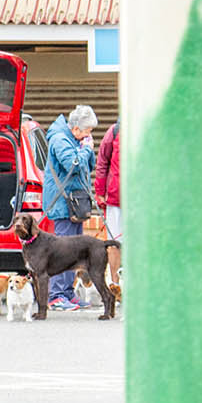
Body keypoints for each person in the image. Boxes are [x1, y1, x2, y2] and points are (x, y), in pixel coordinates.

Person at [42, 104, 98, 311]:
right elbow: (73, 165)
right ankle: (56, 294)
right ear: (76, 128)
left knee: (74, 250)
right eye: (87, 131)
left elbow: (87, 165)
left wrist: (86, 150)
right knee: (62, 250)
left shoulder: (74, 139)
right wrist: (85, 150)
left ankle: (67, 292)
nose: (89, 134)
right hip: (62, 201)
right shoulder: (59, 139)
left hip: (74, 201)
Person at [96, 120, 123, 243]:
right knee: (114, 241)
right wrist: (100, 192)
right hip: (115, 197)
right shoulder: (114, 131)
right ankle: (115, 263)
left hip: (140, 199)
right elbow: (102, 163)